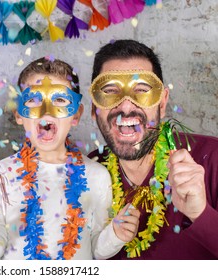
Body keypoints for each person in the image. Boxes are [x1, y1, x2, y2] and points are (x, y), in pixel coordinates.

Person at [0, 57, 140, 260]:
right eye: (34, 100)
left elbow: (97, 248)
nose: (46, 110)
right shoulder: (3, 173)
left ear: (76, 115)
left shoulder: (96, 175)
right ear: (19, 114)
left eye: (60, 100)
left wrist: (116, 234)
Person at [88, 39, 218, 259]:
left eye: (142, 90)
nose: (127, 107)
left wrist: (201, 214)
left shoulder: (211, 158)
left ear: (162, 102)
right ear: (94, 108)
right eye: (110, 92)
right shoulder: (88, 172)